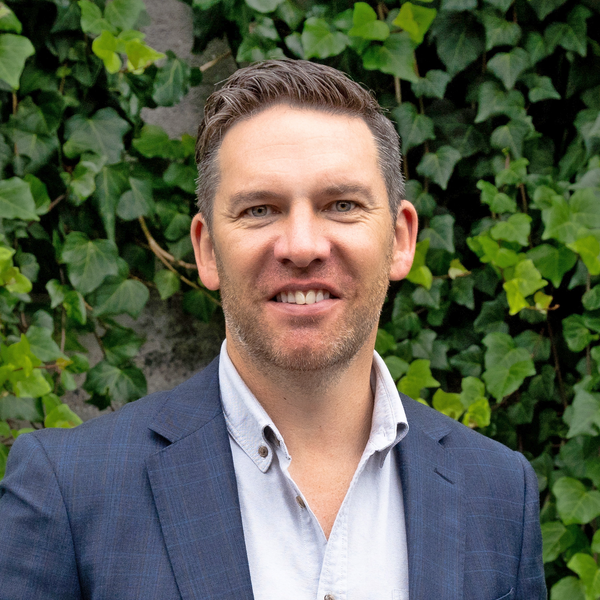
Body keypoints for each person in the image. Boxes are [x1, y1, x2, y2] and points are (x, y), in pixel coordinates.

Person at [0, 60, 545, 600]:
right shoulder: (69, 491)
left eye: (342, 205)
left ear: (401, 240)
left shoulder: (498, 493)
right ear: (206, 250)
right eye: (260, 210)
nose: (302, 246)